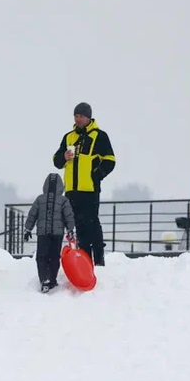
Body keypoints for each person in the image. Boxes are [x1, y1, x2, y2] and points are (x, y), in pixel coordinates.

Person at [52, 102, 115, 266]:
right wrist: (64, 157)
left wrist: (96, 176)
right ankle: (85, 261)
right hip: (71, 191)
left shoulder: (99, 136)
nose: (78, 119)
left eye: (81, 116)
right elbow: (56, 161)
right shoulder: (68, 137)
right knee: (78, 227)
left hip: (90, 190)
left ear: (88, 117)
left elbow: (110, 160)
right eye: (76, 116)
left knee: (92, 224)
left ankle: (99, 260)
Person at [23, 173, 76, 292]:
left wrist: (28, 229)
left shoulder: (40, 199)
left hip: (43, 233)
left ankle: (44, 279)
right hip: (57, 234)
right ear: (61, 186)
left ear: (45, 185)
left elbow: (32, 215)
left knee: (41, 257)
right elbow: (69, 216)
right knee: (54, 257)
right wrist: (70, 230)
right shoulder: (63, 200)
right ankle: (52, 279)